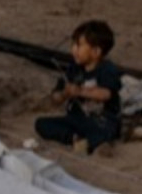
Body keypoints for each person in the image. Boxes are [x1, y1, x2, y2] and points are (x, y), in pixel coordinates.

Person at [35, 20, 124, 155]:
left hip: (101, 120)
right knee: (41, 124)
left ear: (96, 51)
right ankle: (76, 139)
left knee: (105, 130)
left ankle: (96, 143)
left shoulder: (107, 69)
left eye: (79, 46)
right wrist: (65, 94)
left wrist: (80, 91)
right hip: (76, 119)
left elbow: (105, 94)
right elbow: (55, 98)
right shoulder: (73, 69)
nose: (73, 50)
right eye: (73, 45)